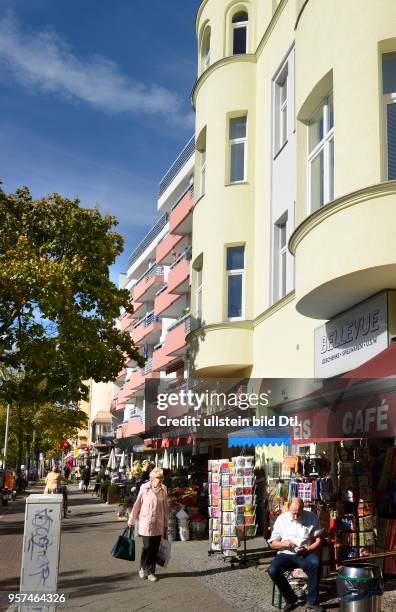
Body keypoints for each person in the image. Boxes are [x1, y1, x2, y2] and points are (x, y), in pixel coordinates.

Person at [268, 497, 324, 612]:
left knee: (316, 564)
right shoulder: (281, 519)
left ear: (303, 509)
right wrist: (284, 543)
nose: (295, 516)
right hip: (285, 553)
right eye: (293, 513)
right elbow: (273, 544)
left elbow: (318, 541)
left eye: (298, 513)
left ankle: (312, 601)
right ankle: (290, 598)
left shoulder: (312, 517)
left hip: (304, 553)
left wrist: (308, 549)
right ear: (289, 509)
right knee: (273, 570)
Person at [128, 467, 168, 582]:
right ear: (152, 477)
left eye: (161, 477)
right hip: (146, 523)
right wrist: (131, 520)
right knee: (147, 547)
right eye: (158, 477)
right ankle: (142, 567)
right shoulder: (144, 488)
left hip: (158, 523)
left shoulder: (163, 489)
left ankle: (151, 572)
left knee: (155, 549)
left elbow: (165, 508)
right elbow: (137, 505)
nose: (160, 480)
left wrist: (166, 524)